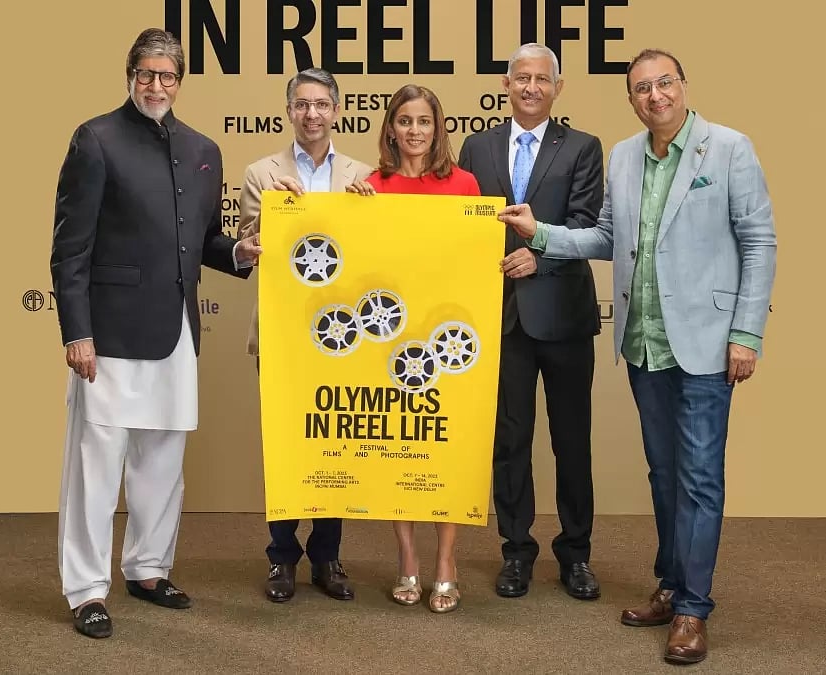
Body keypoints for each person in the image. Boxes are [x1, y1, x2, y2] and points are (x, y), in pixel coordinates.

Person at [498, 49, 777, 664]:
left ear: (683, 86)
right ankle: (672, 584)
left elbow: (759, 241)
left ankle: (693, 611)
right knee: (666, 475)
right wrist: (540, 233)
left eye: (664, 84)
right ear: (631, 99)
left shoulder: (728, 148)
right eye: (642, 88)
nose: (655, 96)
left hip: (707, 341)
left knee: (701, 479)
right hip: (646, 342)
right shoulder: (624, 157)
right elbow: (604, 236)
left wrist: (747, 335)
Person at [50, 27, 262, 639]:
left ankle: (148, 569)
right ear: (130, 76)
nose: (156, 85)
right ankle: (87, 590)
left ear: (180, 81)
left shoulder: (203, 149)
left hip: (176, 333)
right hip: (109, 336)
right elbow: (70, 249)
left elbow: (201, 243)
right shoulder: (95, 139)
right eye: (146, 74)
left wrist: (240, 252)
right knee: (96, 467)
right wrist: (77, 331)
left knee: (163, 462)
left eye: (167, 76)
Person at [457, 43, 604, 601]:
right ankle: (515, 551)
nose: (531, 88)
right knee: (509, 441)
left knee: (572, 441)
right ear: (506, 84)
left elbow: (589, 225)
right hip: (501, 318)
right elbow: (463, 223)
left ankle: (576, 554)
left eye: (542, 80)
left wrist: (540, 255)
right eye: (522, 78)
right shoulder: (479, 146)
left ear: (557, 88)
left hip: (563, 314)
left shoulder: (583, 147)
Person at [238, 67, 373, 603]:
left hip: (344, 335)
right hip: (284, 331)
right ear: (289, 111)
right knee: (285, 446)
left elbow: (374, 258)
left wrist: (369, 215)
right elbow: (247, 249)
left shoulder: (363, 174)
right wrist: (276, 214)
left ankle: (327, 556)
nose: (312, 113)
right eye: (302, 104)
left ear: (337, 110)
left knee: (334, 440)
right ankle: (280, 559)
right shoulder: (260, 173)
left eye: (321, 104)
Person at [346, 84, 481, 613]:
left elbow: (475, 262)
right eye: (405, 121)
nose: (415, 131)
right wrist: (355, 216)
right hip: (391, 342)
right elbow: (357, 268)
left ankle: (446, 561)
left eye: (424, 121)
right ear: (390, 128)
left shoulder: (466, 184)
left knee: (446, 451)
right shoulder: (370, 186)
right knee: (398, 448)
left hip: (447, 340)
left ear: (438, 128)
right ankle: (407, 557)